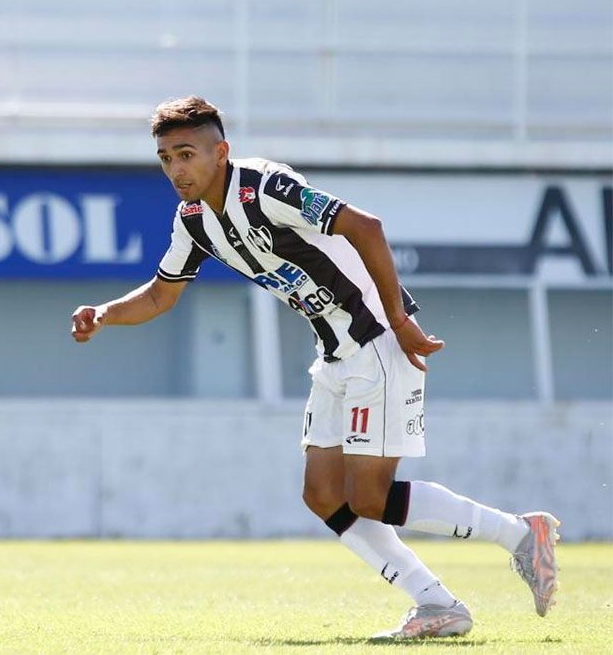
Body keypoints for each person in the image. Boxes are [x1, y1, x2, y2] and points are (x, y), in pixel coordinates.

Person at [69, 96, 559, 640]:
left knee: (370, 497)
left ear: (220, 152)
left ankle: (520, 535)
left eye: (186, 154)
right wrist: (104, 314)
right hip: (334, 355)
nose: (176, 169)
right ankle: (436, 604)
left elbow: (366, 227)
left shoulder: (266, 187)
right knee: (323, 493)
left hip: (377, 342)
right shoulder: (193, 220)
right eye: (166, 158)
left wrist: (399, 320)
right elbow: (162, 295)